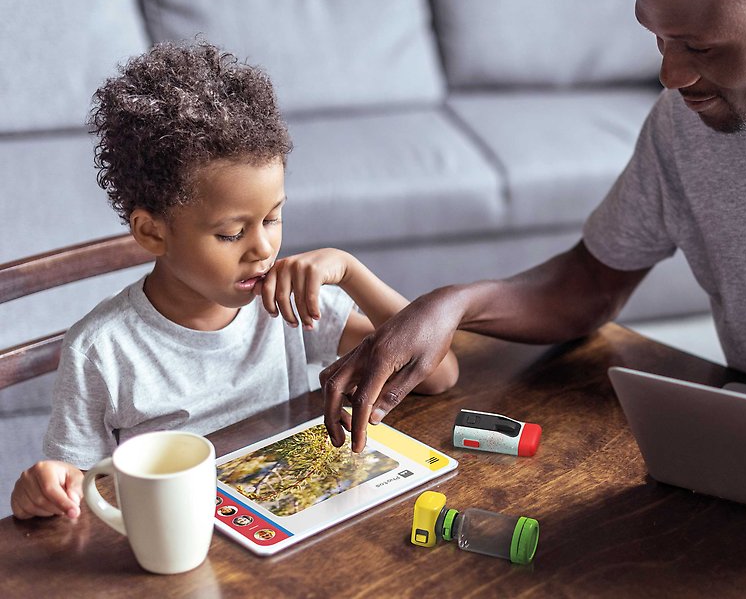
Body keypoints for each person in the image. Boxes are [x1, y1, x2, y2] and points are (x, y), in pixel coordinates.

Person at [321, 0, 746, 453]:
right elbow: (593, 281)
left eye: (698, 47)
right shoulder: (687, 126)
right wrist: (452, 303)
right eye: (657, 40)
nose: (671, 75)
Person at [10, 42, 458, 520]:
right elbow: (74, 494)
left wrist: (350, 271)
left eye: (273, 218)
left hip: (288, 522)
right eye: (230, 233)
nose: (263, 249)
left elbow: (439, 372)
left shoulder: (287, 300)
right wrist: (39, 492)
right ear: (152, 232)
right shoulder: (101, 351)